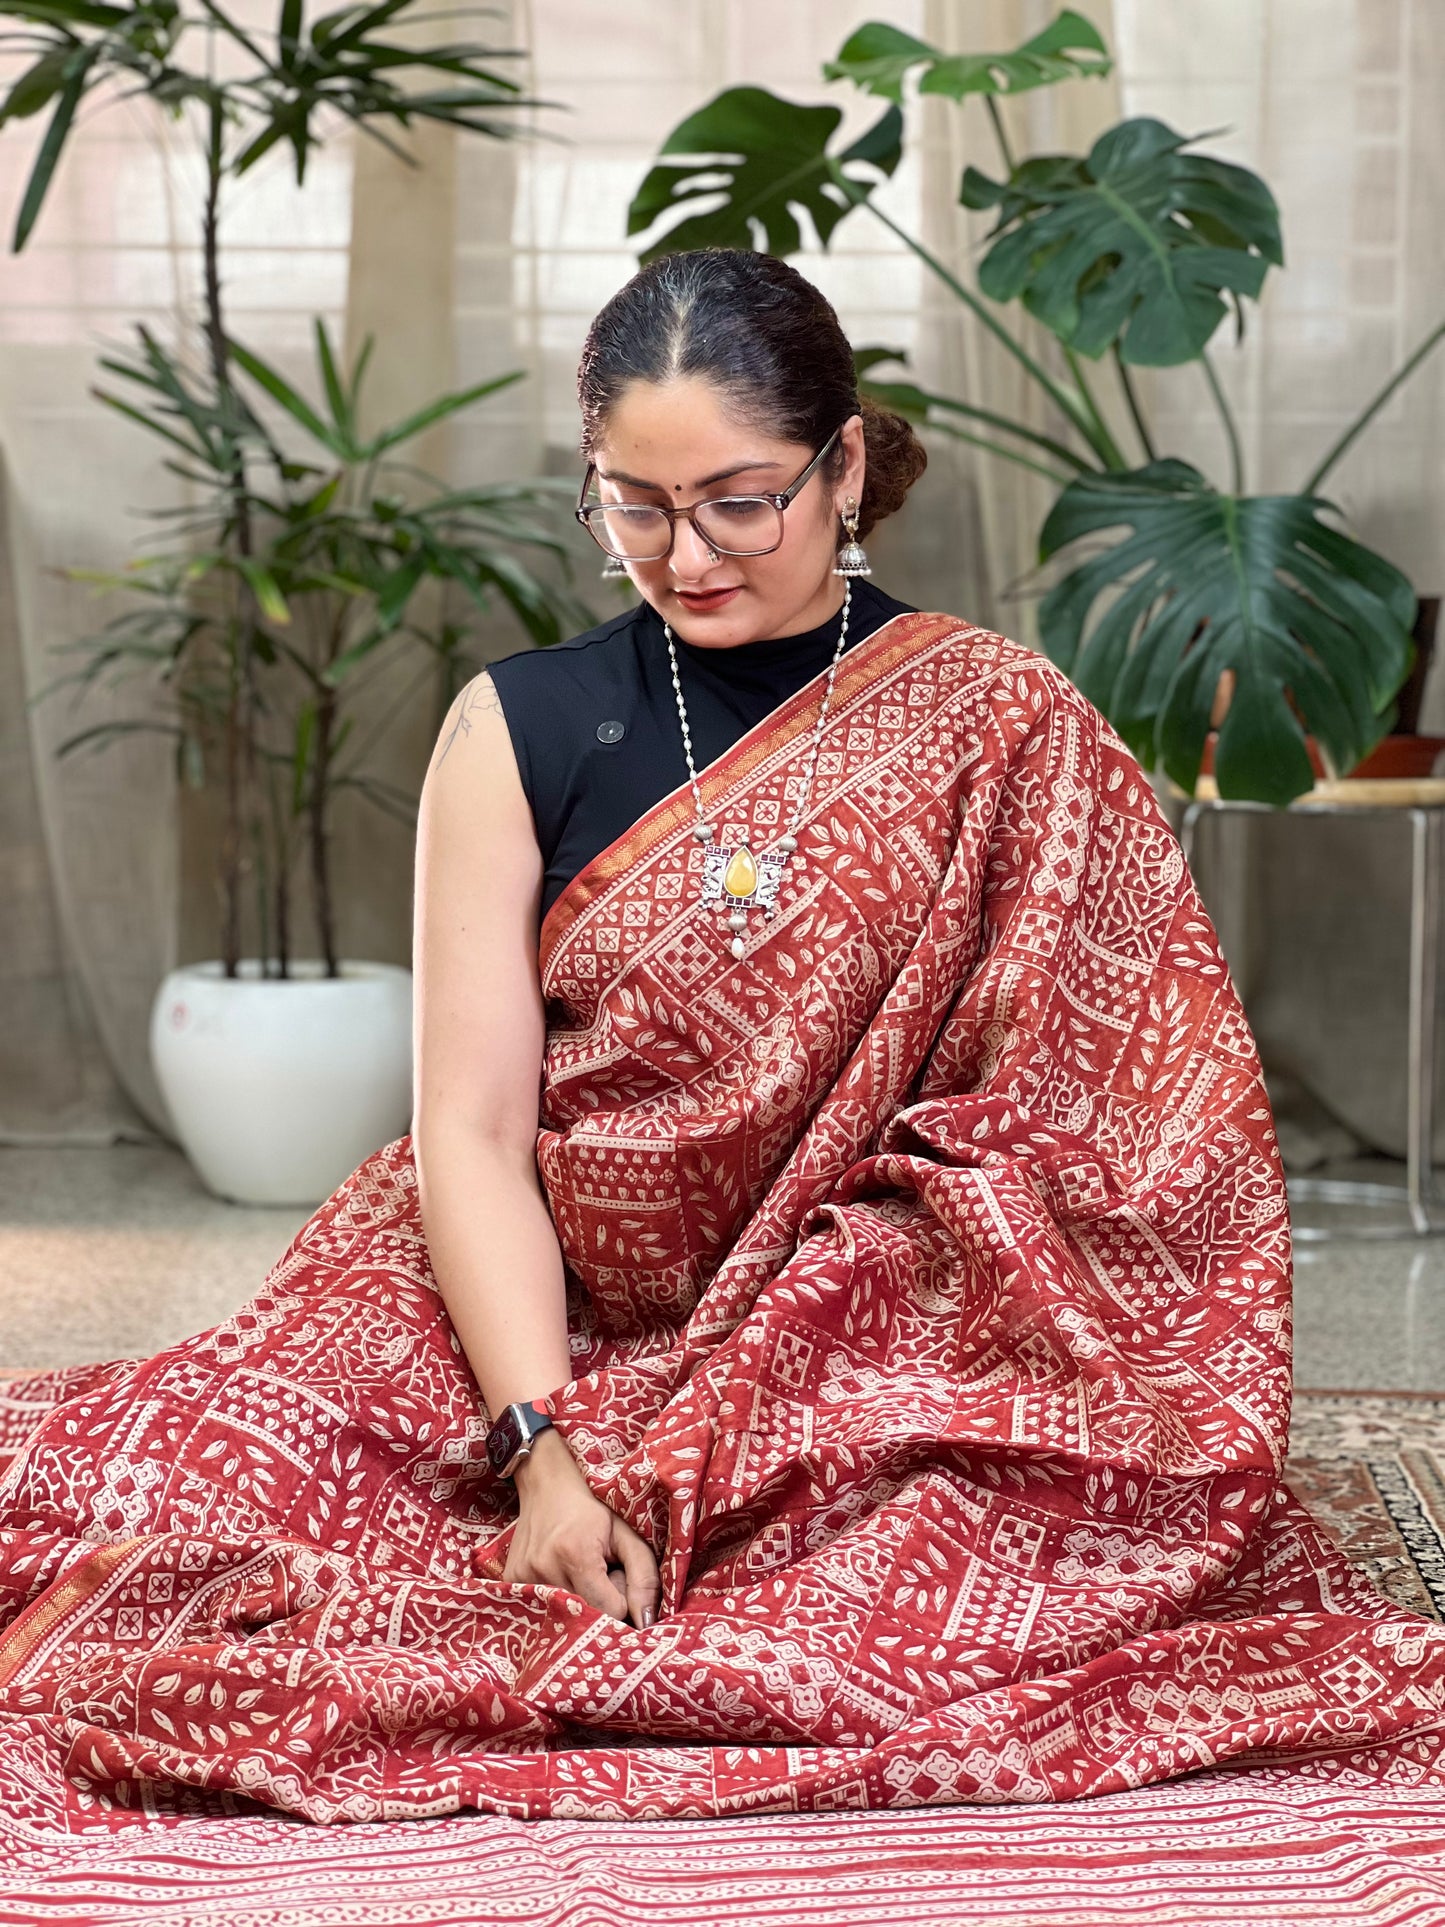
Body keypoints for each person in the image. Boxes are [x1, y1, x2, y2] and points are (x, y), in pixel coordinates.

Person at [0, 249, 1441, 1833]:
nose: (682, 556)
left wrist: (824, 1315)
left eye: (737, 500)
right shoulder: (519, 726)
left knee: (896, 1614)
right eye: (631, 504)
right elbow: (468, 1133)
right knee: (154, 1513)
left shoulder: (998, 722)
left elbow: (1120, 1122)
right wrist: (540, 1446)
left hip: (848, 1340)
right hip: (519, 1292)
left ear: (840, 468)